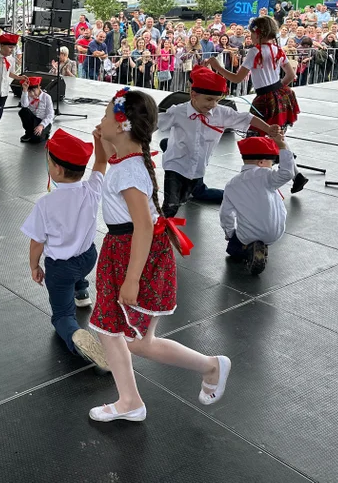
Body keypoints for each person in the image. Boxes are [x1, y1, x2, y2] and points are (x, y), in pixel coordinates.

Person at [88, 88, 229, 423]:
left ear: (122, 125)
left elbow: (143, 228)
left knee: (128, 338)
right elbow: (109, 156)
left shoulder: (131, 172)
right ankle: (131, 401)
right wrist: (100, 142)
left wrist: (133, 278)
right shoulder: (127, 157)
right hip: (125, 249)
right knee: (121, 334)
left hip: (135, 252)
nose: (102, 120)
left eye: (107, 115)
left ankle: (208, 367)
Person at [20, 129, 108, 371]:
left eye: (48, 161)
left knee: (61, 315)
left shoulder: (46, 204)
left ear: (57, 169)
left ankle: (75, 335)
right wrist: (98, 141)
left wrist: (34, 266)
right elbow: (101, 161)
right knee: (78, 272)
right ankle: (82, 293)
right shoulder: (92, 189)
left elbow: (37, 241)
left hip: (61, 268)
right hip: (89, 257)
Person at [158, 66, 279, 219]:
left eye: (217, 100)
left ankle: (236, 196)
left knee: (191, 195)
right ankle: (158, 235)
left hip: (197, 167)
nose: (213, 104)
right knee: (171, 205)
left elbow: (247, 118)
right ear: (193, 94)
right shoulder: (178, 112)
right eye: (208, 99)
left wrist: (268, 129)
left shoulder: (221, 113)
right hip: (175, 164)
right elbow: (153, 123)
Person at [206, 16, 309, 193]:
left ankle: (262, 176)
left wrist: (218, 67)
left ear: (259, 33)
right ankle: (296, 173)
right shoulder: (277, 49)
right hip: (280, 95)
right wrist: (277, 89)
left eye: (252, 33)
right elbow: (291, 76)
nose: (250, 36)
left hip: (264, 99)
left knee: (259, 137)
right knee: (277, 136)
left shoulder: (255, 52)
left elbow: (237, 78)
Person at [221, 133, 294, 275]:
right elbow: (287, 173)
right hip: (275, 233)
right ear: (262, 162)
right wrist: (283, 146)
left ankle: (247, 250)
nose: (272, 167)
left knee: (232, 249)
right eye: (271, 163)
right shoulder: (268, 177)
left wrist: (229, 233)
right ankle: (260, 246)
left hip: (247, 235)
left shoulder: (231, 184)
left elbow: (226, 214)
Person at [18, 76, 53, 144]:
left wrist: (41, 126)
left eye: (34, 91)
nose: (32, 94)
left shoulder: (47, 97)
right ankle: (29, 133)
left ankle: (44, 133)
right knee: (23, 111)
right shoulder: (28, 96)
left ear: (39, 87)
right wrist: (25, 91)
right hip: (33, 121)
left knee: (36, 140)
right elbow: (24, 105)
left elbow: (50, 115)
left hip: (44, 122)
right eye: (30, 91)